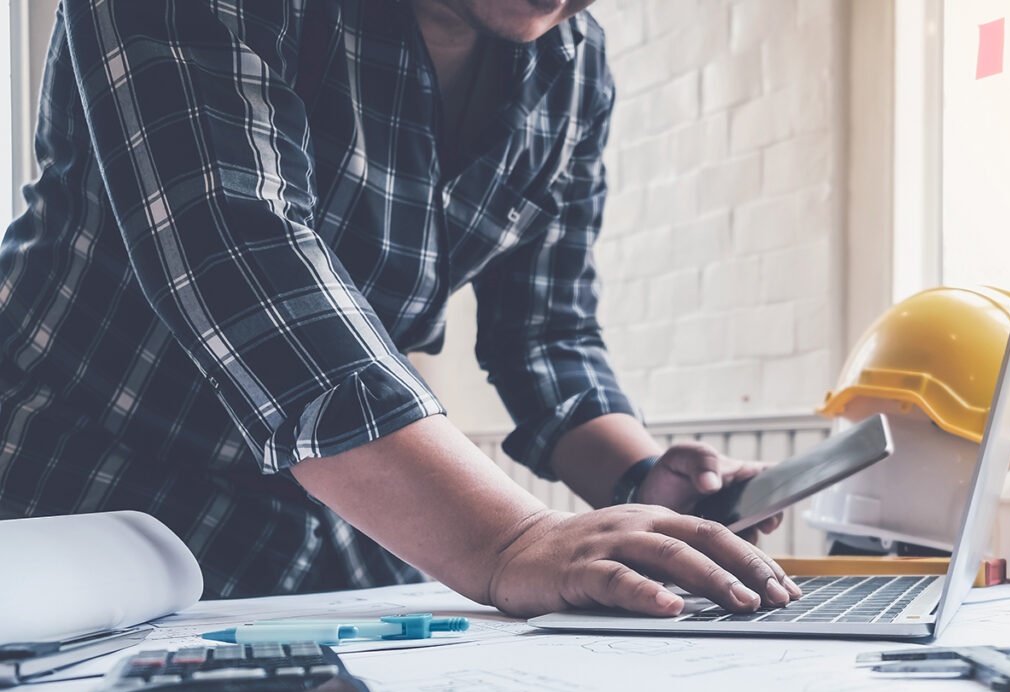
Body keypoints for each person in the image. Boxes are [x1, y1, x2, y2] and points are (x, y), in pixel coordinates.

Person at [0, 0, 801, 618]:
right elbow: (240, 252)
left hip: (346, 518)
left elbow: (547, 336)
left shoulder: (574, 70)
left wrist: (638, 481)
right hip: (77, 490)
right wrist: (512, 538)